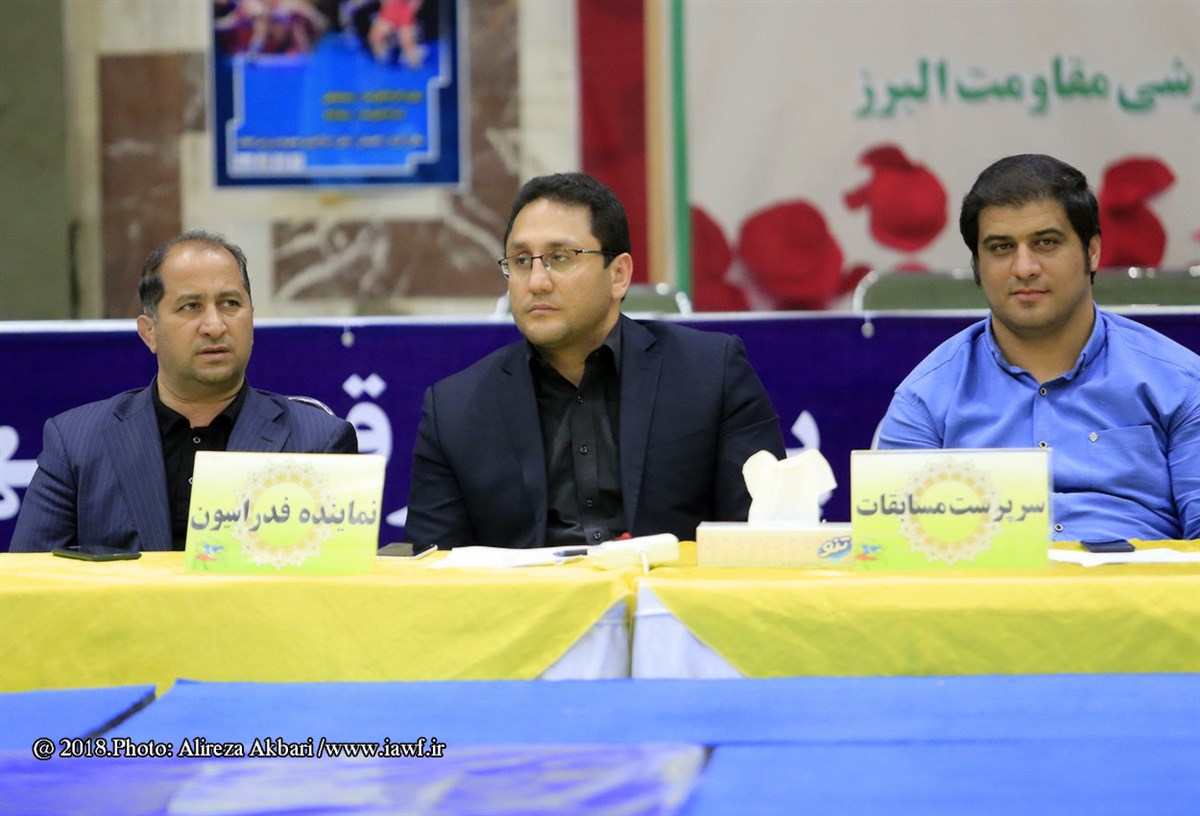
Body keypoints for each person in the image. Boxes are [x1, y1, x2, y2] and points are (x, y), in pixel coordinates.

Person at [406, 172, 786, 548]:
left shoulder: (711, 374)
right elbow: (431, 570)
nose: (536, 282)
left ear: (619, 275)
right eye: (521, 261)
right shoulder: (454, 410)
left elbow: (767, 538)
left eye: (559, 257)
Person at [878, 154, 1200, 542]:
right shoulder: (926, 400)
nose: (1024, 267)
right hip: (990, 583)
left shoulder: (1181, 384)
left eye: (1046, 243)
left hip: (1138, 579)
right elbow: (895, 550)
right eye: (1001, 247)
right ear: (977, 265)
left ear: (1092, 251)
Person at [10, 230, 358, 553]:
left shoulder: (317, 441)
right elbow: (28, 581)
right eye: (191, 307)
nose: (215, 326)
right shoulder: (77, 443)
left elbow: (343, 587)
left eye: (230, 304)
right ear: (149, 331)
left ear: (251, 318)